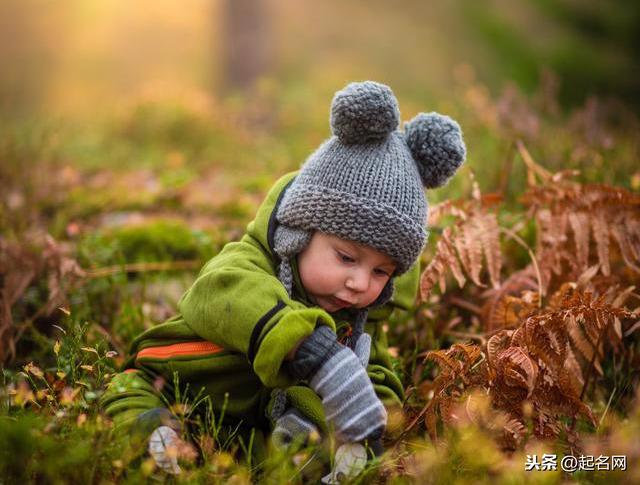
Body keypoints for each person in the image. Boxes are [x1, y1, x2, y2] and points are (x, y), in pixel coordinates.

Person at [100, 80, 466, 473]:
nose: (360, 283)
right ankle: (154, 439)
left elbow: (375, 371)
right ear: (299, 234)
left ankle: (299, 449)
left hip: (246, 428)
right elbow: (221, 293)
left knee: (308, 442)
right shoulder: (247, 265)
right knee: (133, 400)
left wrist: (367, 425)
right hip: (170, 382)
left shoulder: (358, 318)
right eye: (346, 258)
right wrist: (313, 351)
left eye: (381, 271)